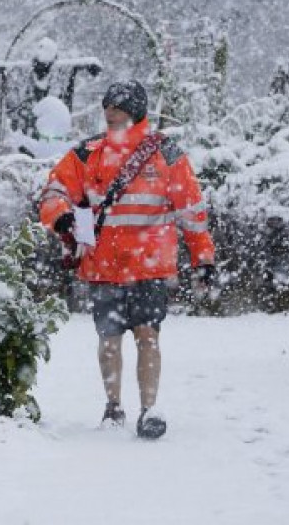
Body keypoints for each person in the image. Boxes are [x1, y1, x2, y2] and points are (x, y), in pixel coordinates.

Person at [38, 80, 216, 438]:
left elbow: (191, 211)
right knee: (109, 339)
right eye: (107, 111)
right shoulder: (88, 154)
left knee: (147, 336)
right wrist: (60, 214)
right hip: (105, 266)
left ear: (134, 112)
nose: (110, 117)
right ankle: (113, 406)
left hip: (149, 268)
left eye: (117, 111)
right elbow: (54, 189)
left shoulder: (166, 155)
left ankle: (149, 409)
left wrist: (204, 257)